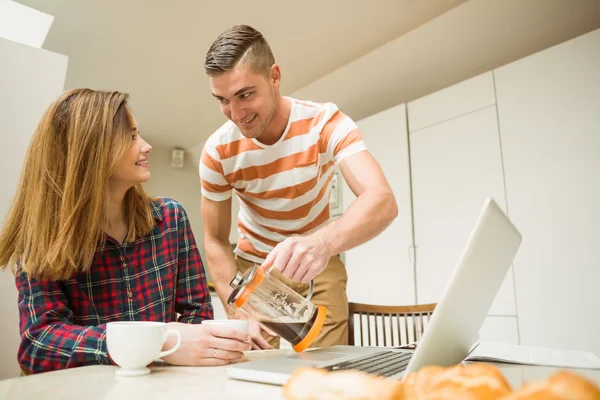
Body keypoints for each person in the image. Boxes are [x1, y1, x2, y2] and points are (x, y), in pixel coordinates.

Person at [0, 89, 251, 374]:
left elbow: (197, 314)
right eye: (131, 137)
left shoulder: (171, 219)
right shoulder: (40, 238)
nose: (146, 146)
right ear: (91, 151)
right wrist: (153, 341)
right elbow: (38, 344)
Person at [200, 25, 398, 350]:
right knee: (256, 374)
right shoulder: (217, 151)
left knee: (327, 373)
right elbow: (216, 240)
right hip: (255, 271)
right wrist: (238, 311)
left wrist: (320, 245)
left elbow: (382, 199)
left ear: (274, 77)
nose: (236, 114)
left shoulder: (326, 124)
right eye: (223, 100)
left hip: (319, 261)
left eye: (245, 95)